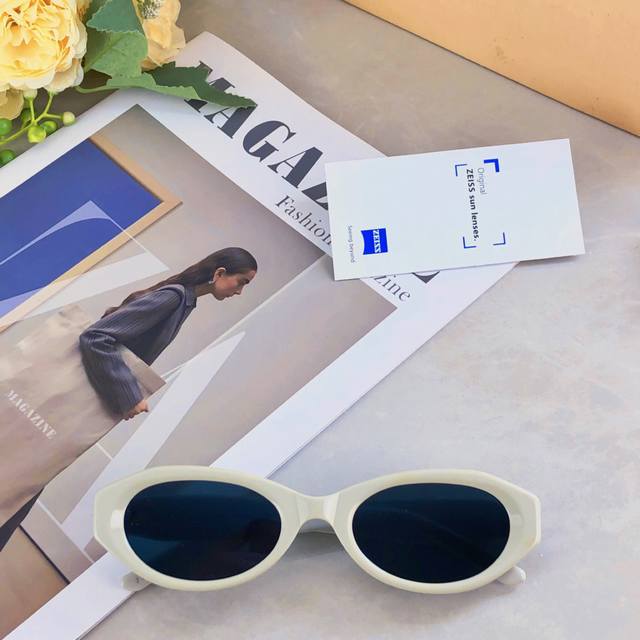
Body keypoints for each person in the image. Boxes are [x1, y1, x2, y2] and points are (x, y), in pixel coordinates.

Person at [79, 247, 257, 420]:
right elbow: (95, 337)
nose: (240, 292)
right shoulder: (173, 298)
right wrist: (130, 396)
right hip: (83, 388)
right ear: (219, 273)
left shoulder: (184, 302)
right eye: (242, 282)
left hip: (89, 390)